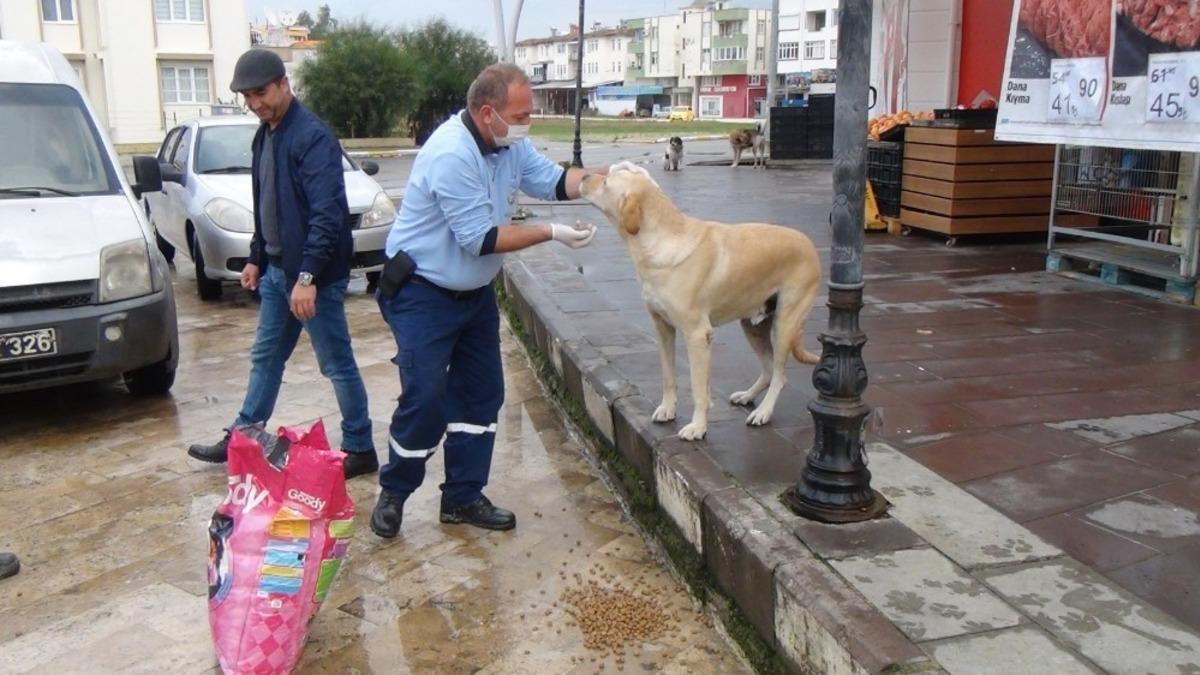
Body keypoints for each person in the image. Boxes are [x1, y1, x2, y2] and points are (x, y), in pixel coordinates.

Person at [370, 64, 603, 538]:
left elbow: (555, 181)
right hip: (421, 293)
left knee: (481, 395)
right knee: (427, 397)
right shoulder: (451, 154)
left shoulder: (507, 144)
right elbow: (479, 239)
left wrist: (606, 182)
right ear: (486, 112)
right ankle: (394, 492)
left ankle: (462, 497)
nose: (527, 123)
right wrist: (551, 232)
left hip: (473, 294)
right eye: (521, 115)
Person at [188, 49, 377, 479]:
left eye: (260, 93)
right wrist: (256, 258)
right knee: (266, 358)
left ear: (283, 84)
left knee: (336, 363)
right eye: (247, 96)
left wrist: (307, 277)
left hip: (313, 280)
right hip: (275, 275)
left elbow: (327, 215)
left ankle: (360, 447)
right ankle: (245, 435)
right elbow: (267, 206)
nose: (254, 103)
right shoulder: (264, 135)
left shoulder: (312, 137)